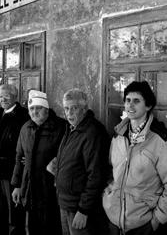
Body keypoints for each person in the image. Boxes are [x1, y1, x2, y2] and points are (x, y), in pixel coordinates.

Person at [103, 81, 167, 235]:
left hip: (143, 225)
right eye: (128, 100)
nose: (130, 105)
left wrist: (156, 221)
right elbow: (110, 171)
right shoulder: (118, 136)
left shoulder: (163, 141)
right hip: (114, 221)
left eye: (136, 101)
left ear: (148, 106)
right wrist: (107, 197)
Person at [53, 88, 110, 235]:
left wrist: (83, 210)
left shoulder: (92, 132)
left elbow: (96, 175)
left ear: (84, 109)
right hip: (66, 203)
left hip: (80, 208)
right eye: (66, 108)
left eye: (74, 108)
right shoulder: (72, 128)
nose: (69, 113)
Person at [11, 90, 67, 235]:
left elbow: (67, 156)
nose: (34, 112)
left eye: (38, 108)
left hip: (51, 187)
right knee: (33, 225)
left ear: (46, 109)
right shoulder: (26, 128)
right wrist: (17, 185)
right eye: (32, 109)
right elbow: (19, 157)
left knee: (52, 226)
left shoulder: (61, 127)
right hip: (30, 186)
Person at [0, 84, 29, 235]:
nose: (3, 99)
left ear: (15, 97)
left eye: (6, 96)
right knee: (2, 207)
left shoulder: (22, 116)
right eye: (0, 96)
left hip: (12, 170)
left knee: (15, 208)